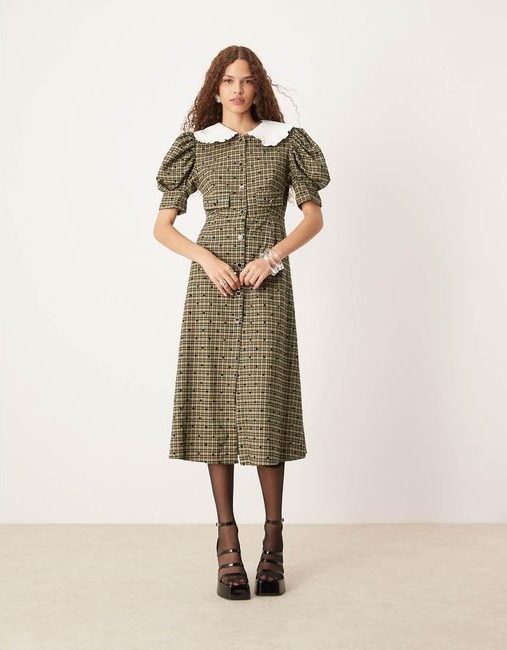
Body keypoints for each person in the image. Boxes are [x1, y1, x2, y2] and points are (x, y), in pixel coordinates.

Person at [153, 45, 330, 600]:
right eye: (228, 81)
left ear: (259, 88)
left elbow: (314, 218)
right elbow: (162, 227)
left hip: (267, 285)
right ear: (216, 87)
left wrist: (271, 258)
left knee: (265, 404)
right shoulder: (195, 147)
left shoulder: (287, 142)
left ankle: (273, 542)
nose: (237, 90)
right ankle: (226, 541)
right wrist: (206, 260)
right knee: (214, 407)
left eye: (247, 81)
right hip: (212, 290)